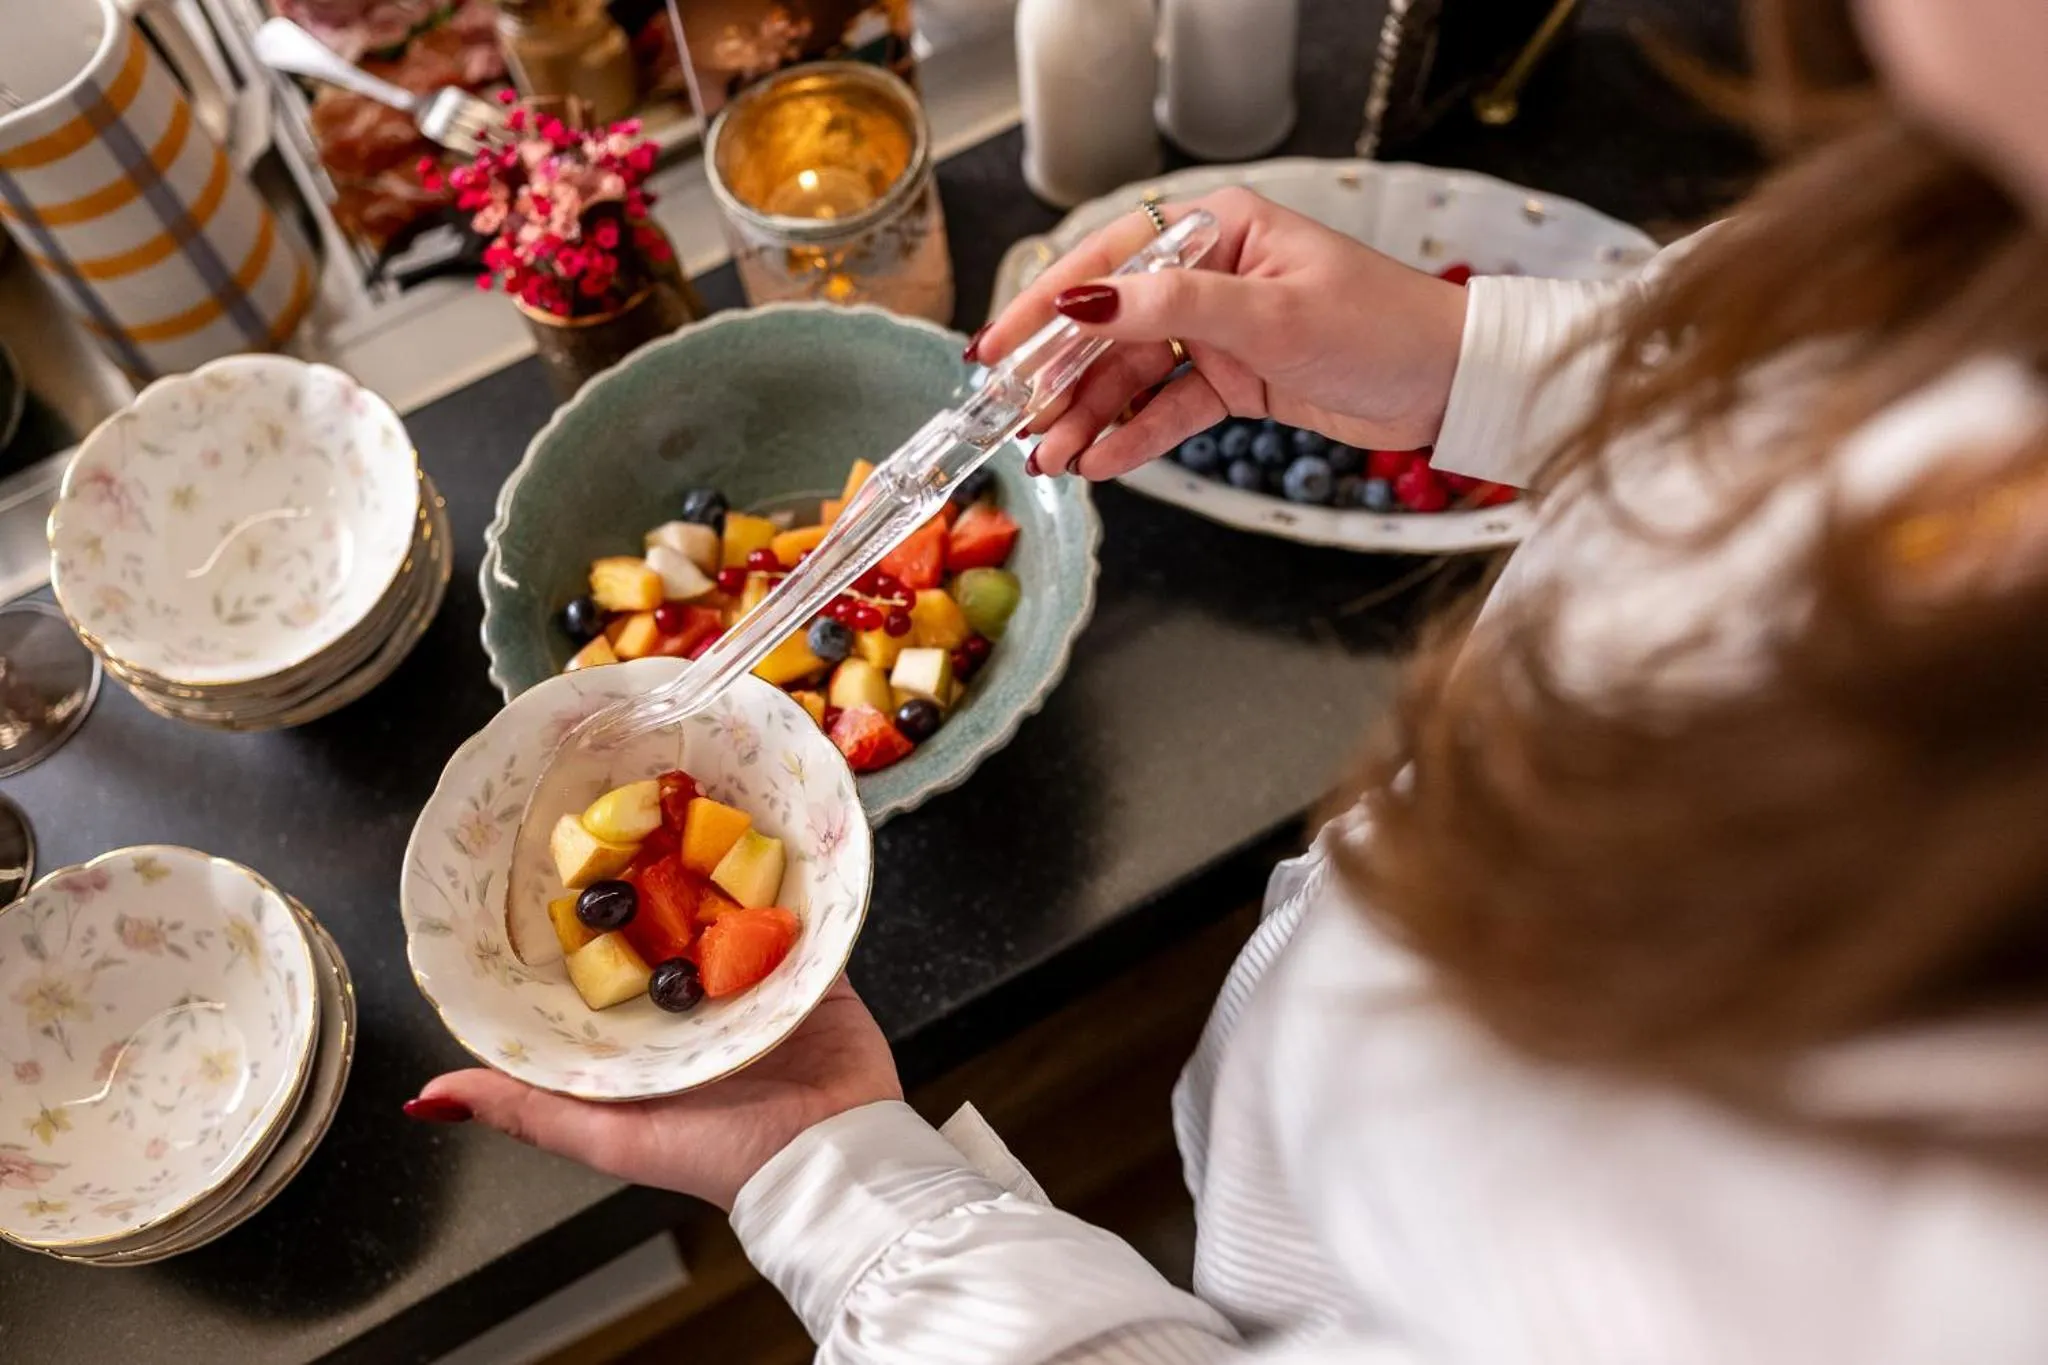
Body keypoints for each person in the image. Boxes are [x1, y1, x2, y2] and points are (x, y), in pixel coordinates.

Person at [408, 0, 2048, 1358]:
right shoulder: (1976, 211)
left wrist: (841, 1187)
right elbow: (1797, 380)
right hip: (1290, 1121)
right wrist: (1471, 361)